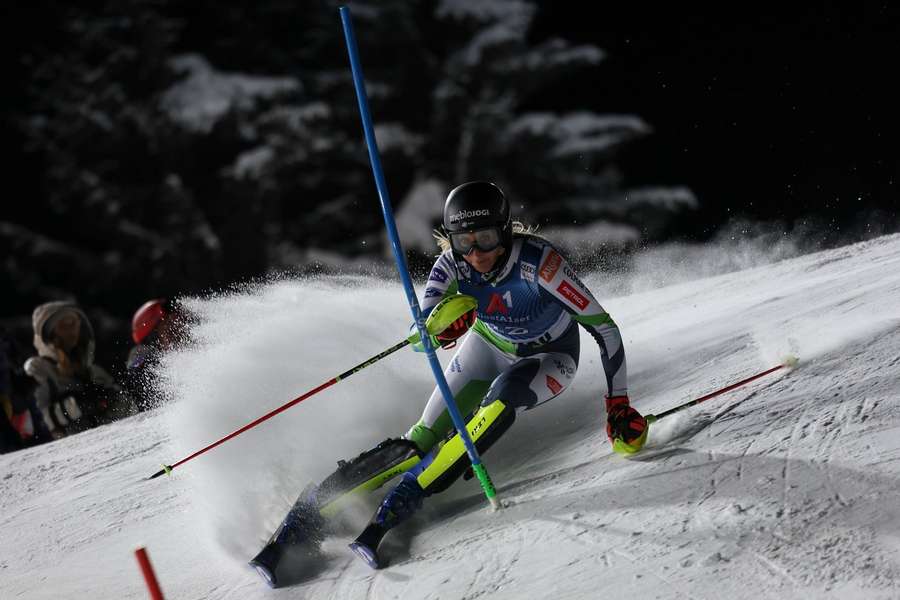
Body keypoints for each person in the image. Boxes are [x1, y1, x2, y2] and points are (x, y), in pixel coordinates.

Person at [250, 181, 647, 585]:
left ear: (505, 230)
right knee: (418, 440)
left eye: (487, 238)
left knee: (500, 401)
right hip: (489, 345)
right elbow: (421, 331)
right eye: (463, 241)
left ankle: (406, 496)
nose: (476, 254)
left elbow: (605, 329)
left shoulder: (539, 265)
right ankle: (312, 511)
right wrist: (437, 330)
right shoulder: (451, 265)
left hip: (550, 356)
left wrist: (618, 403)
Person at [24, 301, 135, 439]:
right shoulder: (38, 369)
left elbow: (131, 410)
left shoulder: (93, 371)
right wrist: (78, 406)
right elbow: (34, 422)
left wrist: (113, 399)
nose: (72, 329)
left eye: (75, 322)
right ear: (49, 334)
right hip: (65, 454)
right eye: (64, 324)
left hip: (109, 446)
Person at [125, 298, 184, 410]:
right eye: (168, 324)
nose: (178, 328)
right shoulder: (142, 354)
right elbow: (134, 375)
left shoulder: (194, 347)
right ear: (153, 334)